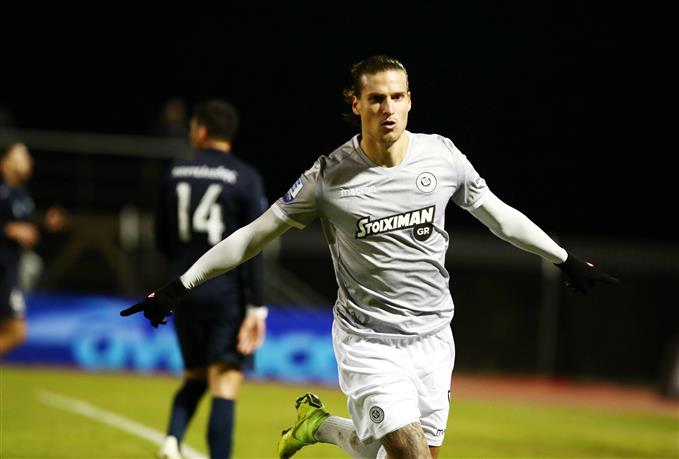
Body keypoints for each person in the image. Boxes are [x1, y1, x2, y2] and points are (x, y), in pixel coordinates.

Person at [122, 56, 619, 459]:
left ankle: (319, 426)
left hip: (434, 337)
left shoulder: (442, 156)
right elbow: (252, 236)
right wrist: (180, 285)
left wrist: (564, 258)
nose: (388, 108)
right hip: (368, 341)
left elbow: (499, 216)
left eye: (397, 97)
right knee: (410, 456)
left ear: (410, 101)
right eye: (377, 98)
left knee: (399, 453)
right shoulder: (327, 177)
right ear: (356, 103)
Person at [152, 99, 269, 459]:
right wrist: (257, 307)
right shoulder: (245, 177)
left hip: (183, 289)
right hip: (225, 293)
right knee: (225, 380)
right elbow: (254, 246)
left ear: (201, 130)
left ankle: (172, 440)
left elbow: (161, 238)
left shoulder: (175, 172)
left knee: (195, 375)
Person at [0, 142, 66, 357]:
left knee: (12, 331)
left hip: (9, 269)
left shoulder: (21, 194)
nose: (28, 161)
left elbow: (24, 226)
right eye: (20, 156)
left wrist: (44, 222)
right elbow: (13, 227)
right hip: (3, 272)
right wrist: (10, 230)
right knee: (17, 332)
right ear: (4, 163)